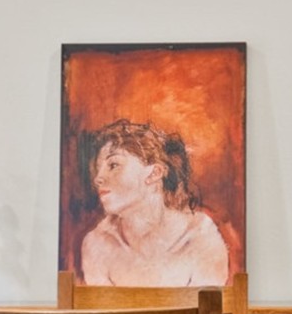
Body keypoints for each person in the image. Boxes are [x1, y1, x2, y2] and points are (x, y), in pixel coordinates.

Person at [78, 119, 231, 286]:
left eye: (113, 165)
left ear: (154, 173)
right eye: (98, 168)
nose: (98, 178)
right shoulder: (97, 245)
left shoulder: (200, 236)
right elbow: (103, 312)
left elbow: (210, 310)